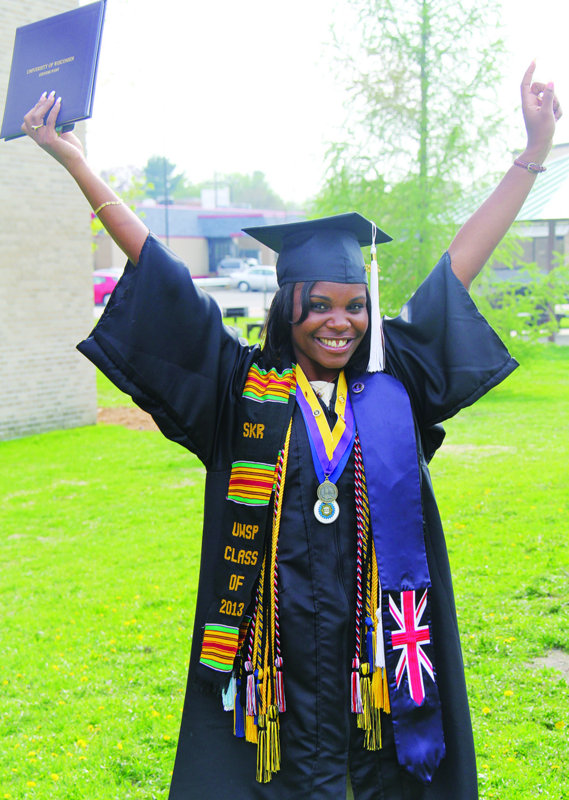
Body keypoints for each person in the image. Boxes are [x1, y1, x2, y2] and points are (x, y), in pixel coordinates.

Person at [22, 63, 561, 800]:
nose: (340, 322)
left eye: (354, 305)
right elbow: (161, 274)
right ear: (287, 306)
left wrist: (531, 153)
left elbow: (455, 272)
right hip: (270, 658)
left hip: (375, 656)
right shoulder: (239, 387)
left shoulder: (392, 381)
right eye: (320, 305)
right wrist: (77, 163)